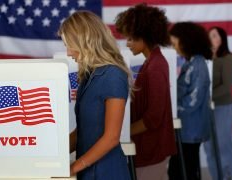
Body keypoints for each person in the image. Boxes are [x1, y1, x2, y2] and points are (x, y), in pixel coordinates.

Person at [58, 11, 132, 180]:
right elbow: (81, 132)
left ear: (85, 41)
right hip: (88, 170)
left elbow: (111, 137)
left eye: (70, 45)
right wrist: (52, 155)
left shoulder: (113, 74)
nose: (69, 53)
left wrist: (73, 168)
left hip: (107, 172)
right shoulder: (89, 74)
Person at [115, 3, 177, 180]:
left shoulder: (155, 67)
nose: (127, 43)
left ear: (145, 37)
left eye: (131, 38)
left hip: (153, 148)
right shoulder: (152, 62)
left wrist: (122, 132)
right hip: (149, 147)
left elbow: (154, 117)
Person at [168, 22, 212, 180]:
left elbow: (195, 99)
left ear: (187, 42)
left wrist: (173, 109)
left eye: (175, 44)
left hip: (191, 129)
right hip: (186, 128)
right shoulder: (190, 63)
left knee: (183, 170)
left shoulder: (198, 64)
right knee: (180, 168)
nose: (174, 48)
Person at [204, 27, 232, 180]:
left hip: (223, 107)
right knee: (209, 148)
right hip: (207, 109)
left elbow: (226, 87)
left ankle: (229, 177)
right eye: (209, 36)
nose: (212, 39)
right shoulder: (206, 59)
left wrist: (207, 97)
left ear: (222, 39)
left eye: (214, 36)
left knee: (223, 147)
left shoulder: (227, 59)